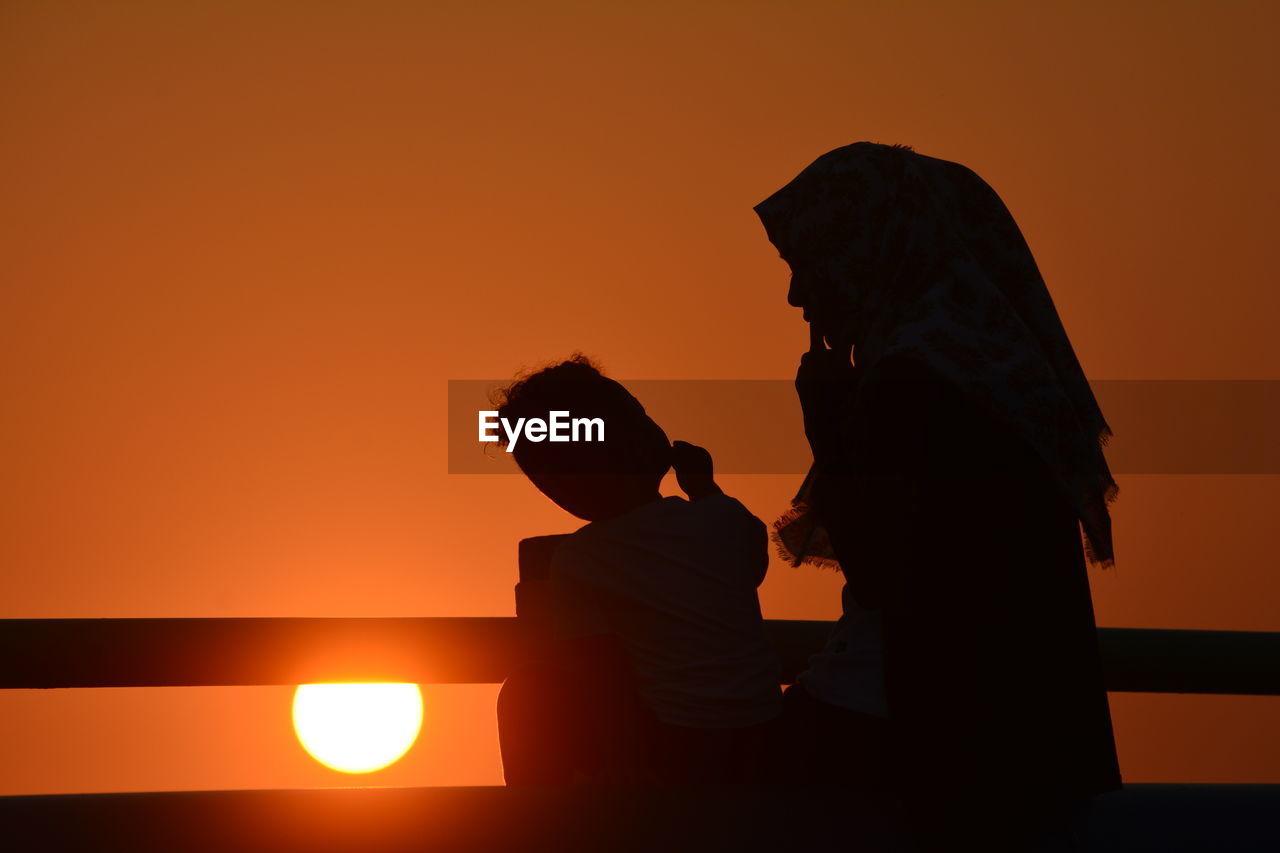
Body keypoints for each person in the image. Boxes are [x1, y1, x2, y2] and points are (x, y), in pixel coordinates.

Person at [755, 143, 1122, 849]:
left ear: (866, 250)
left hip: (942, 744)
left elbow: (890, 571)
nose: (799, 294)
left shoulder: (914, 385)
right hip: (1028, 744)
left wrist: (828, 426)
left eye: (808, 263)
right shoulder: (994, 367)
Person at [493, 355, 781, 785]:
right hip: (763, 743)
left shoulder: (581, 561)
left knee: (524, 693)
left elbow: (608, 685)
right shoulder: (723, 518)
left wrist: (630, 790)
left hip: (677, 749)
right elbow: (750, 568)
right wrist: (705, 489)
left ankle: (538, 829)